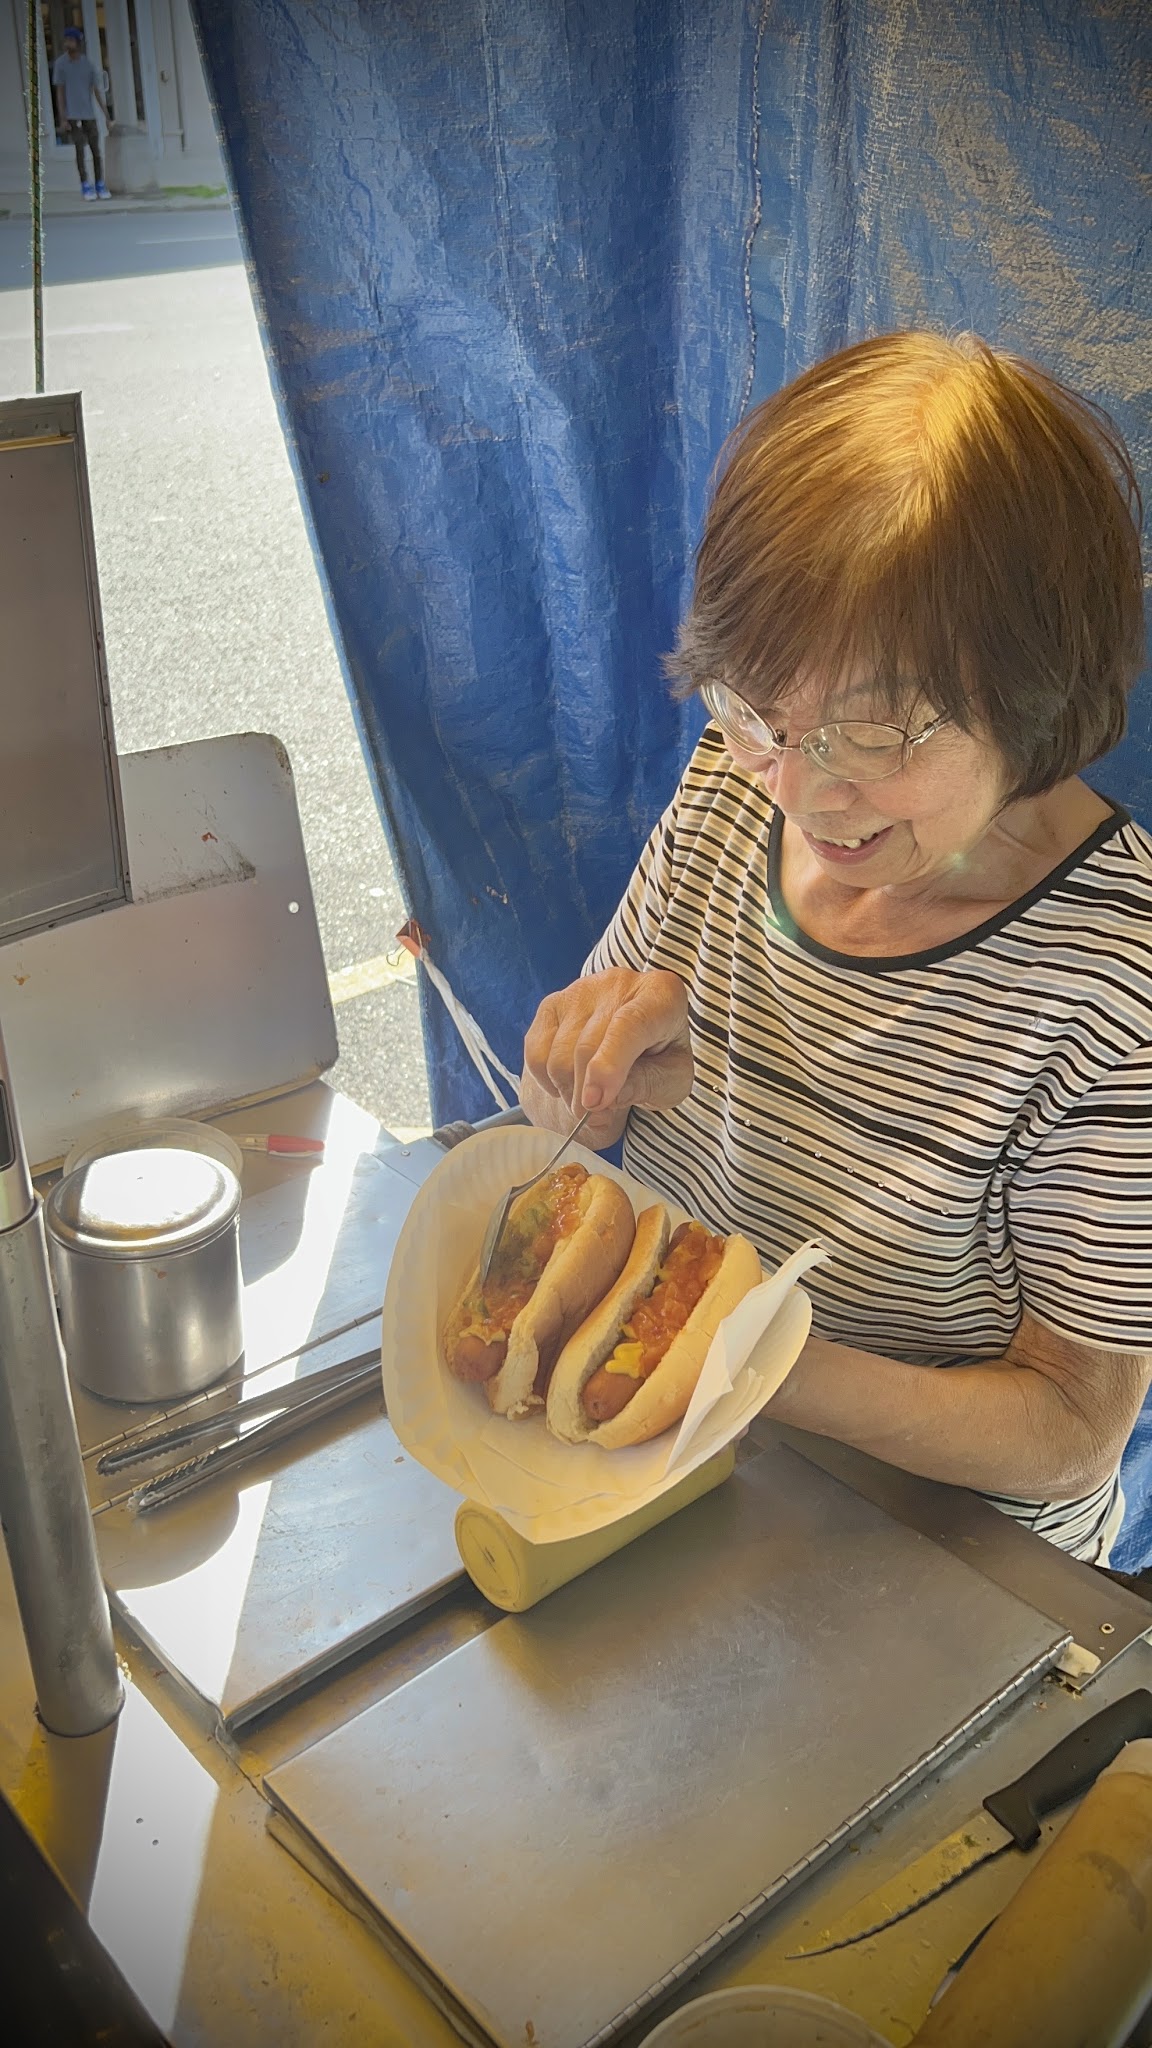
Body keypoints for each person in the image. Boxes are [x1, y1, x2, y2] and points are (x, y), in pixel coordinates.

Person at [522, 330, 1152, 1564]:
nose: (805, 795)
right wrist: (586, 1070)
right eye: (760, 709)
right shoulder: (731, 783)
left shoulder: (1115, 997)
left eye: (881, 731)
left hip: (940, 1555)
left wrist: (757, 1352)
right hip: (688, 1459)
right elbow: (583, 1123)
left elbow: (1073, 1429)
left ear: (1036, 690)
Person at [53, 27, 110, 201]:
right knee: (80, 151)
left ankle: (100, 183)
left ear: (78, 42)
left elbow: (96, 91)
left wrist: (107, 116)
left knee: (96, 151)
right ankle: (86, 185)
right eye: (66, 40)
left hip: (89, 115)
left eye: (70, 40)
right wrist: (63, 118)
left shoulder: (88, 65)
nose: (67, 43)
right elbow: (60, 93)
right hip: (73, 116)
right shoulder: (61, 64)